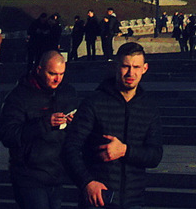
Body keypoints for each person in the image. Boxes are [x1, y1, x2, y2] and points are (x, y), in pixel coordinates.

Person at [64, 43, 162, 209]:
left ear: (144, 68)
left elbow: (155, 155)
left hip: (133, 200)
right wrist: (87, 182)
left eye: (136, 67)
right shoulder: (94, 103)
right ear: (115, 66)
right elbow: (70, 148)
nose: (131, 73)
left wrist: (125, 150)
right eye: (125, 66)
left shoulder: (149, 109)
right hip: (98, 199)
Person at [0, 50, 77, 209]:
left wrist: (74, 123)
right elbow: (8, 135)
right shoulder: (19, 97)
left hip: (56, 173)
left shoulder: (67, 93)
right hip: (29, 176)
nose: (58, 79)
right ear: (39, 70)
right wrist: (44, 124)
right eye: (52, 74)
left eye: (62, 74)